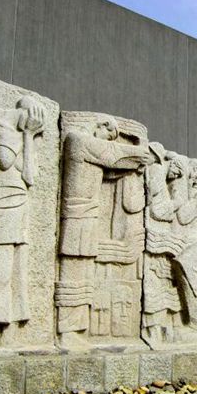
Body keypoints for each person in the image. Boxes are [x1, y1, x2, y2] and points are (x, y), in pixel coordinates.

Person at [56, 112, 152, 350]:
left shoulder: (91, 151)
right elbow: (111, 156)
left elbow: (111, 169)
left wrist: (135, 165)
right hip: (78, 216)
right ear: (101, 126)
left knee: (83, 274)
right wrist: (140, 152)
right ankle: (66, 330)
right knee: (74, 273)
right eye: (109, 136)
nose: (109, 141)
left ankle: (75, 328)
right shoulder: (78, 139)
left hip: (87, 217)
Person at [0, 96, 45, 350]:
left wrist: (29, 136)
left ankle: (9, 331)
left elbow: (30, 177)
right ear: (26, 112)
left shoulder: (30, 132)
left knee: (17, 272)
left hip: (21, 205)